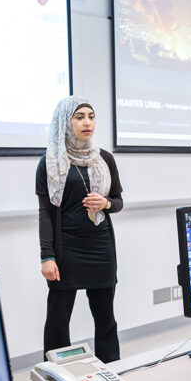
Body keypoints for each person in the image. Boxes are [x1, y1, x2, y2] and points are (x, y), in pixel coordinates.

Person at [36, 96, 124, 363]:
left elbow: (119, 201)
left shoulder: (104, 159)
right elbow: (46, 213)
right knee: (58, 320)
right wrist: (47, 256)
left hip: (100, 248)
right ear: (65, 121)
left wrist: (105, 202)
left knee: (105, 317)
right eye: (79, 117)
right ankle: (56, 373)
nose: (87, 122)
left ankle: (113, 371)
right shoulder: (50, 162)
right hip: (67, 251)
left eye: (91, 116)